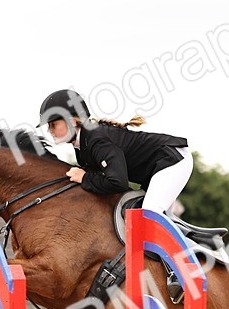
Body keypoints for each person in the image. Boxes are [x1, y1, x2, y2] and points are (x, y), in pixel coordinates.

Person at [38, 88, 193, 217]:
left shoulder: (96, 140)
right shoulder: (82, 145)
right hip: (157, 167)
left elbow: (118, 182)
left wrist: (85, 177)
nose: (49, 130)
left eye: (53, 124)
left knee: (149, 214)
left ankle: (187, 252)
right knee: (146, 214)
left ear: (71, 121)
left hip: (172, 159)